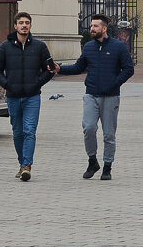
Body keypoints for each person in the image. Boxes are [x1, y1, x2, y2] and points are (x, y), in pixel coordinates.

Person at [50, 13, 134, 180]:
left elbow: (128, 69)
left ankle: (107, 166)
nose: (92, 29)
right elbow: (78, 67)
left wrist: (114, 83)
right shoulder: (88, 47)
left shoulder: (118, 47)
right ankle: (92, 161)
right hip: (91, 95)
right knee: (88, 128)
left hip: (110, 97)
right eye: (91, 26)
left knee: (109, 134)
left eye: (95, 26)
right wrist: (60, 69)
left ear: (104, 28)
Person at [0, 11, 54, 182]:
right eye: (21, 23)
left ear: (31, 26)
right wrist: (7, 84)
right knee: (18, 132)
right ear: (15, 26)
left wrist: (37, 83)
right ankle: (21, 163)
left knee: (29, 131)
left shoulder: (40, 46)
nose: (24, 25)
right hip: (13, 96)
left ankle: (27, 165)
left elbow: (50, 69)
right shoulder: (5, 46)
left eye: (27, 22)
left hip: (32, 97)